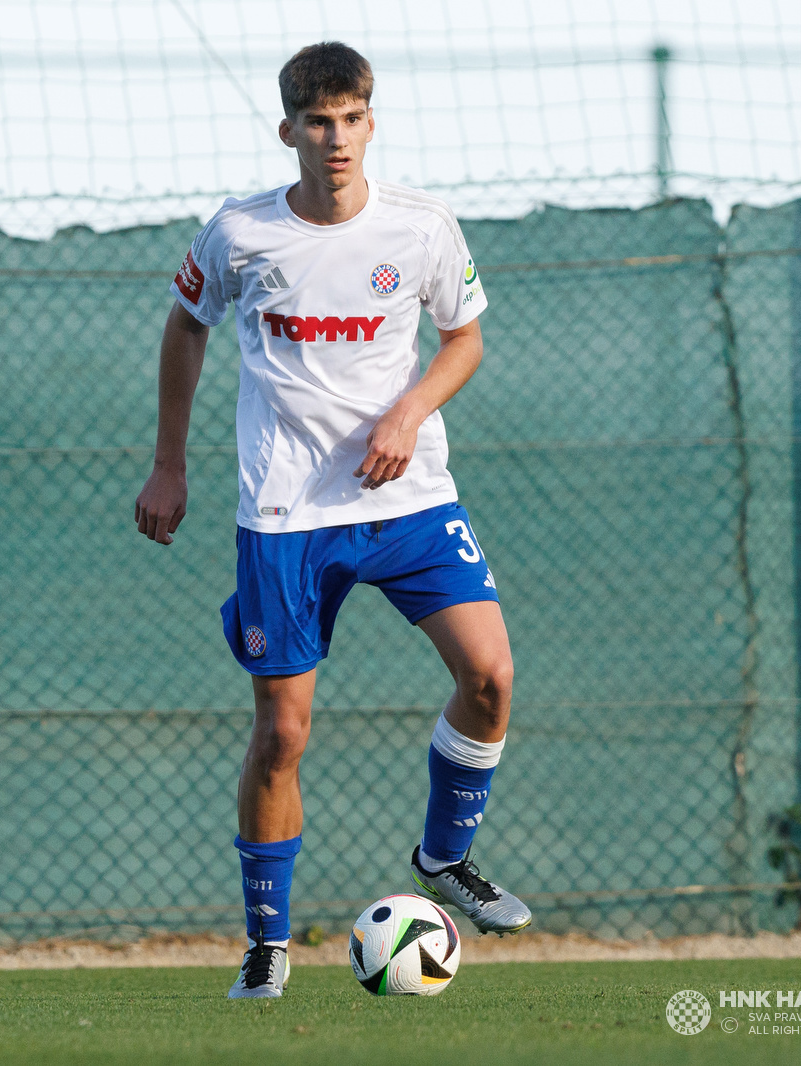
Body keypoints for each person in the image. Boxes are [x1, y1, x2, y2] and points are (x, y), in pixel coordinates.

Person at [133, 42, 532, 1000]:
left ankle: (442, 859)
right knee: (283, 733)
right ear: (290, 132)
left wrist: (409, 412)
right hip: (286, 514)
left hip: (410, 499)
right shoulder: (238, 234)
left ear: (370, 122)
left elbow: (464, 340)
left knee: (490, 675)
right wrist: (169, 463)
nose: (337, 138)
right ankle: (267, 945)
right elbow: (184, 327)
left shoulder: (424, 228)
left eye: (352, 118)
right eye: (319, 122)